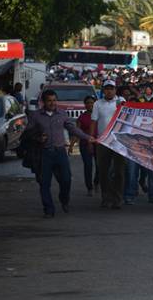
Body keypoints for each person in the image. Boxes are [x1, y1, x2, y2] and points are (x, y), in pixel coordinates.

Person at [25, 89, 94, 218]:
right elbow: (28, 133)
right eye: (49, 101)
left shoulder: (62, 114)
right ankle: (48, 209)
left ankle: (64, 199)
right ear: (43, 102)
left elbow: (72, 128)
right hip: (43, 154)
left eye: (54, 100)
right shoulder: (36, 116)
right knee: (44, 183)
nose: (52, 103)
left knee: (66, 180)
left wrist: (86, 137)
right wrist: (38, 138)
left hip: (60, 152)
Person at [91, 80, 126, 209]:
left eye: (111, 88)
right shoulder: (97, 104)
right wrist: (91, 138)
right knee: (103, 171)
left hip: (119, 141)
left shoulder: (121, 101)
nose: (109, 91)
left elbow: (128, 115)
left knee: (119, 172)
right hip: (102, 141)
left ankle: (118, 198)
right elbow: (93, 121)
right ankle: (106, 197)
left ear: (115, 90)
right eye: (107, 89)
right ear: (103, 90)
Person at [69, 95, 99, 196]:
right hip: (85, 144)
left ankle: (96, 182)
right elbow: (76, 132)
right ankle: (89, 187)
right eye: (88, 103)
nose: (90, 105)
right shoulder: (81, 117)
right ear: (85, 105)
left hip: (98, 144)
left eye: (92, 103)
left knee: (99, 166)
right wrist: (71, 145)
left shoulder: (100, 115)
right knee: (88, 166)